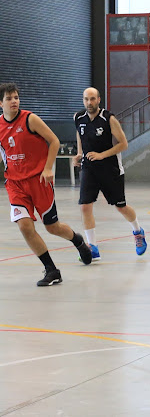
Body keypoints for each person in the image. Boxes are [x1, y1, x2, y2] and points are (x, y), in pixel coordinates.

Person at [0, 83, 92, 286]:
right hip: (15, 183)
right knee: (25, 227)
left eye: (16, 97)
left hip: (39, 181)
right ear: (1, 103)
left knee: (52, 227)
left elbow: (54, 141)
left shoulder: (29, 119)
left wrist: (48, 168)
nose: (14, 101)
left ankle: (77, 240)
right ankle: (52, 270)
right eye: (9, 98)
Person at [73, 87, 147, 260]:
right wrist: (80, 153)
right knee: (85, 206)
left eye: (92, 99)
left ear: (99, 99)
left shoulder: (109, 119)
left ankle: (138, 231)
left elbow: (123, 144)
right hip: (89, 169)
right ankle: (93, 247)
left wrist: (101, 155)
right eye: (86, 99)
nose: (89, 103)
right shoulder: (78, 117)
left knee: (120, 206)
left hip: (110, 168)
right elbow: (80, 134)